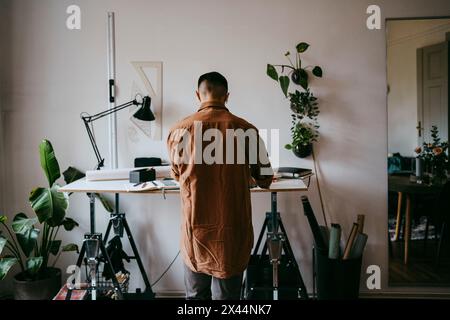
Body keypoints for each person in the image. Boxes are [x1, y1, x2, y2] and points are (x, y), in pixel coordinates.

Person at [167, 71, 273, 300]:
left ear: (198, 95)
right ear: (227, 96)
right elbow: (265, 179)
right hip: (231, 232)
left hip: (195, 231)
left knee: (195, 297)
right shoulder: (246, 130)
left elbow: (177, 175)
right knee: (228, 298)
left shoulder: (179, 130)